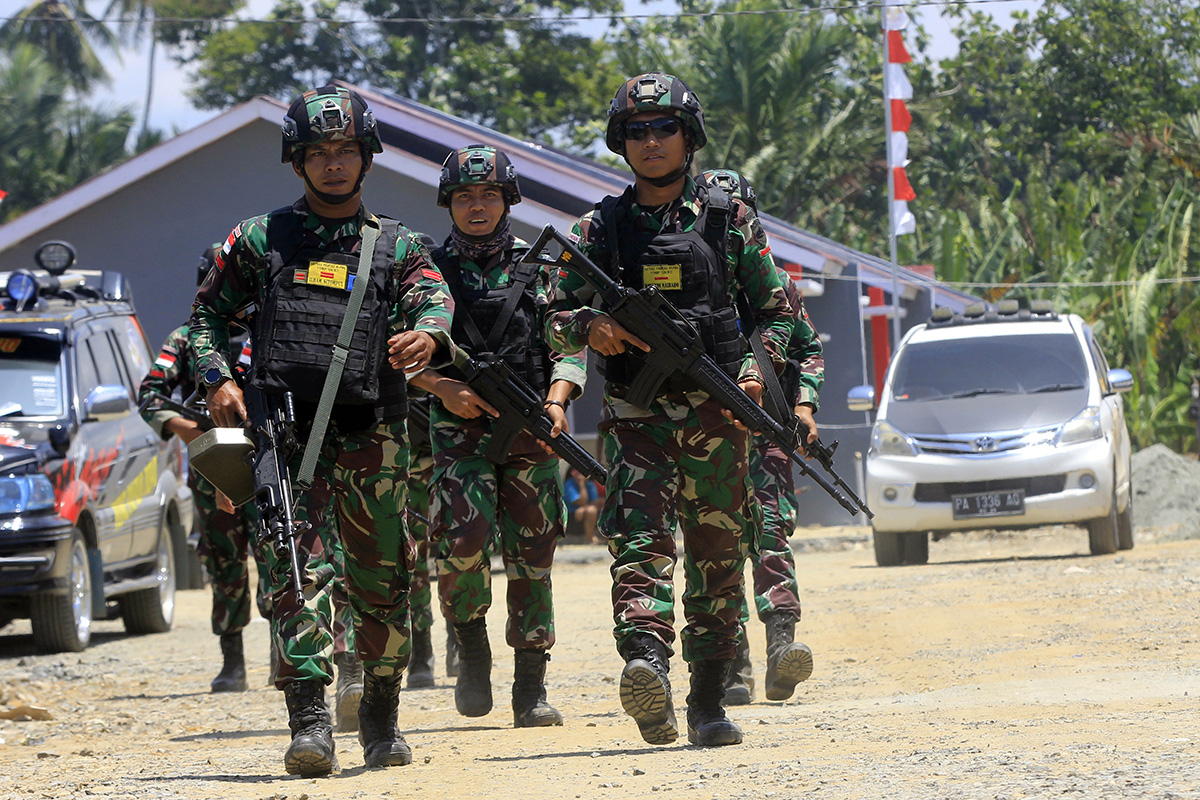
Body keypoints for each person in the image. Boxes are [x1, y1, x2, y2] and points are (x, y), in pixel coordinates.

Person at [189, 85, 455, 776]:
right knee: (294, 571)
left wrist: (428, 334)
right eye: (318, 153)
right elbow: (205, 318)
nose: (333, 165)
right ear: (297, 161)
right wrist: (218, 378)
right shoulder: (259, 240)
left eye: (345, 151)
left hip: (375, 434)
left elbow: (434, 296)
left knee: (383, 579)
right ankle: (309, 721)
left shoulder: (397, 245)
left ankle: (381, 717)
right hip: (286, 433)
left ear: (365, 158)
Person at [544, 73, 794, 747]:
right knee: (638, 550)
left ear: (689, 136)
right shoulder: (600, 228)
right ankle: (646, 668)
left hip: (716, 418)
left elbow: (774, 315)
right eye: (636, 131)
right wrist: (590, 325)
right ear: (620, 143)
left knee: (718, 558)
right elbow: (551, 314)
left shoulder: (729, 218)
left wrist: (749, 373)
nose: (650, 142)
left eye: (663, 129)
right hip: (635, 415)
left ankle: (709, 699)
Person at [409, 144, 585, 728]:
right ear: (449, 203)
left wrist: (559, 401)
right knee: (462, 543)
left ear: (507, 199)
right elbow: (400, 354)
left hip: (533, 428)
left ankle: (531, 688)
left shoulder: (541, 265)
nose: (477, 205)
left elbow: (569, 347)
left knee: (533, 555)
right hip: (457, 430)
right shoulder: (426, 269)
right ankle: (473, 651)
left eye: (488, 194)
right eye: (464, 196)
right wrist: (442, 388)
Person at [702, 169, 819, 705]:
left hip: (768, 428)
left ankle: (780, 648)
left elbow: (808, 350)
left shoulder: (782, 290)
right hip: (705, 435)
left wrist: (804, 405)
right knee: (719, 546)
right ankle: (731, 666)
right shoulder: (689, 289)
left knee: (770, 534)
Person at [136, 268, 271, 695]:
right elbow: (150, 395)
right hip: (213, 467)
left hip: (269, 458)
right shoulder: (185, 338)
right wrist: (199, 437)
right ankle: (232, 661)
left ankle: (286, 654)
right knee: (223, 560)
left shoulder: (270, 328)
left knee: (279, 553)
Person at [563, 466, 601, 544]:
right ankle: (589, 539)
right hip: (572, 518)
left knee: (592, 510)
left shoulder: (590, 485)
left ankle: (591, 537)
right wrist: (581, 485)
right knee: (591, 511)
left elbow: (594, 502)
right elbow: (581, 501)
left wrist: (584, 508)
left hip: (585, 514)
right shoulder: (569, 485)